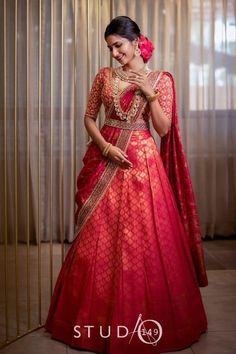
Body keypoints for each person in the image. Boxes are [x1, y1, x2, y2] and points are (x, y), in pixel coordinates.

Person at [45, 16, 208, 354]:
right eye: (110, 48)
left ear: (137, 41)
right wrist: (104, 147)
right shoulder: (104, 77)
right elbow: (89, 117)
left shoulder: (161, 79)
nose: (115, 53)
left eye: (119, 45)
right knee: (96, 238)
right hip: (106, 159)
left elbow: (163, 129)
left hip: (142, 166)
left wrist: (149, 94)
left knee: (144, 241)